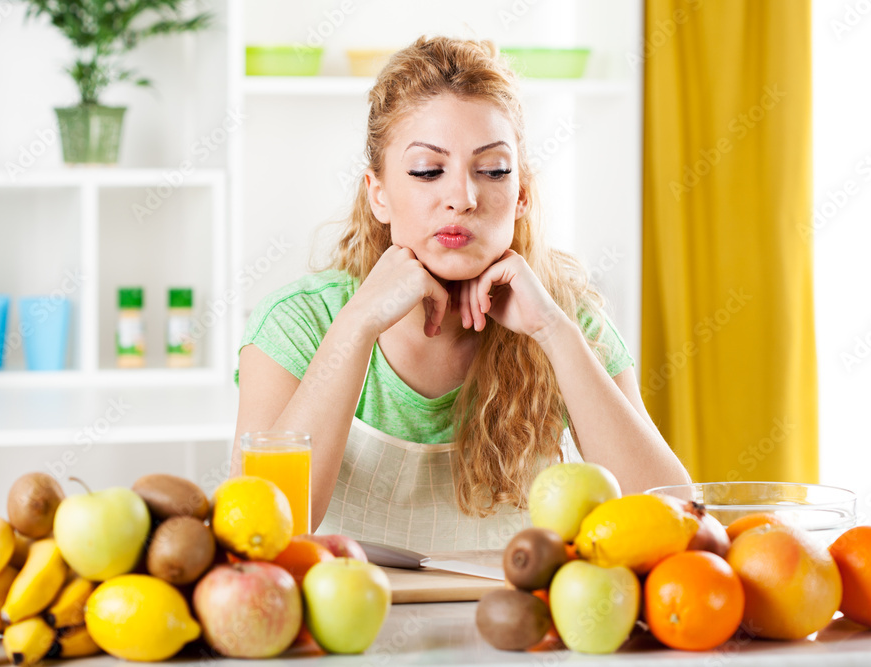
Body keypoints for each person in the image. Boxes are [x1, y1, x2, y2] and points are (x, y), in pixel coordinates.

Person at [232, 35, 691, 551]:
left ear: (520, 195)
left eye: (492, 171)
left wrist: (553, 332)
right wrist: (357, 325)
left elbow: (672, 519)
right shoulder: (296, 324)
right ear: (378, 195)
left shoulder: (567, 320)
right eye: (428, 171)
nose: (463, 197)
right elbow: (256, 535)